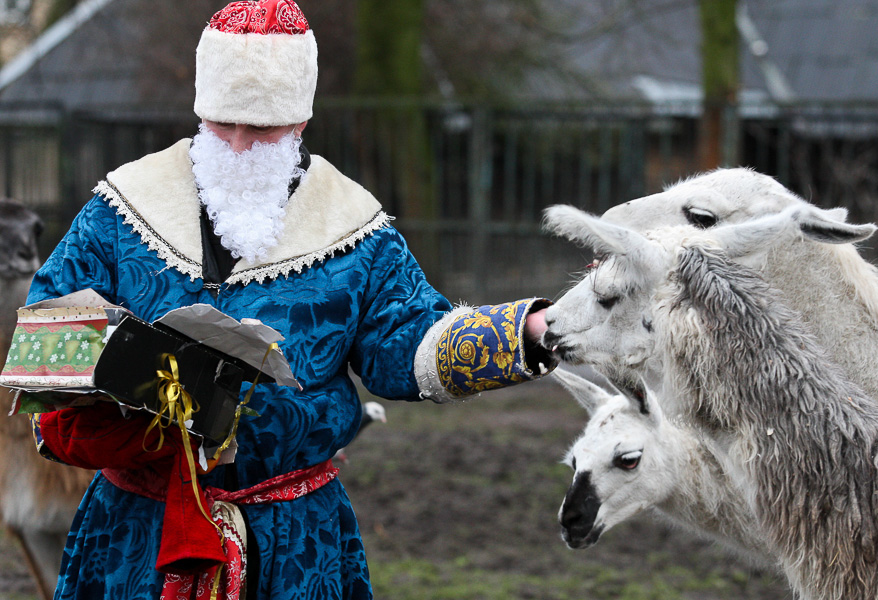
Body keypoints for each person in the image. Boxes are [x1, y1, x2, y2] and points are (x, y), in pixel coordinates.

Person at [25, 1, 555, 599]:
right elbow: (45, 333)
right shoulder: (121, 209)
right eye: (222, 125)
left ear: (300, 122)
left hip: (296, 540)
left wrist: (528, 330)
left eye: (262, 130)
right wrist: (146, 378)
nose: (239, 146)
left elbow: (408, 341)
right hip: (135, 534)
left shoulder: (355, 229)